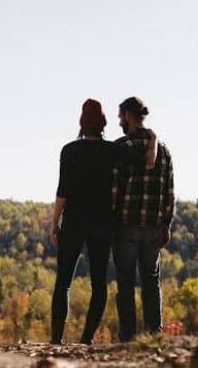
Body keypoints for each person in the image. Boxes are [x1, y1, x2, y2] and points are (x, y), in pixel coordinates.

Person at [50, 99, 156, 345]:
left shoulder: (69, 151)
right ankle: (86, 339)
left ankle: (56, 340)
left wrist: (55, 223)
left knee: (63, 282)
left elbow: (62, 191)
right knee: (99, 284)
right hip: (103, 224)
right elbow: (144, 162)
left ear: (81, 123)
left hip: (74, 222)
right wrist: (153, 137)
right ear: (104, 123)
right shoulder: (113, 150)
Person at [113, 96, 174, 343]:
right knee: (151, 282)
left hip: (126, 226)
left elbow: (114, 190)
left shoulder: (121, 147)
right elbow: (170, 191)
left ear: (128, 115)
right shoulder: (164, 151)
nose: (119, 121)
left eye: (120, 116)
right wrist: (166, 224)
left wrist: (112, 222)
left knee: (126, 282)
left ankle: (128, 338)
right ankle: (153, 336)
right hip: (153, 227)